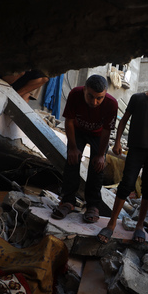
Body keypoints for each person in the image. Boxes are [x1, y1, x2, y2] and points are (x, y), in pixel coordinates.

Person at [98, 72, 148, 243]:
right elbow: (123, 120)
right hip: (136, 150)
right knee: (126, 184)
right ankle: (111, 223)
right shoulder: (137, 98)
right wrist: (117, 142)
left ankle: (139, 226)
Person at [51, 75, 117, 223]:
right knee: (72, 161)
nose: (94, 102)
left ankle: (93, 205)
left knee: (97, 167)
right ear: (84, 90)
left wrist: (101, 155)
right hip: (78, 131)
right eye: (90, 96)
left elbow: (107, 131)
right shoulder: (75, 94)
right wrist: (73, 148)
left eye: (99, 98)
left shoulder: (111, 104)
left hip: (98, 135)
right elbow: (69, 122)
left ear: (105, 93)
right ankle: (67, 201)